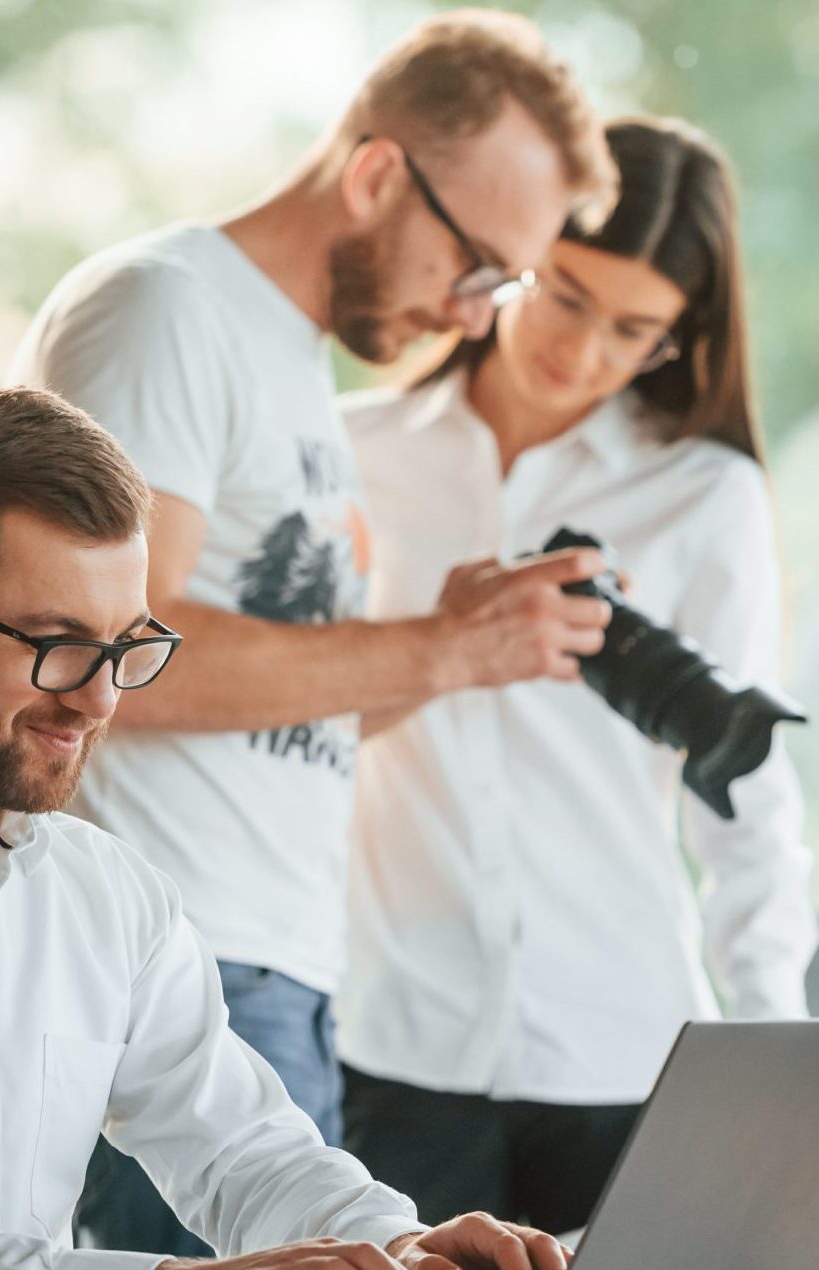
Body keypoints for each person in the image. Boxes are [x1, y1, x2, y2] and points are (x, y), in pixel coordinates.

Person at [7, 9, 617, 1254]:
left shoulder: (294, 370)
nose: (478, 314)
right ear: (378, 172)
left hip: (273, 979)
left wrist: (464, 640)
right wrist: (436, 649)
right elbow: (109, 654)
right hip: (173, 978)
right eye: (479, 266)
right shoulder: (167, 311)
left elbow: (287, 687)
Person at [0, 385, 577, 1270]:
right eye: (56, 642)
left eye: (127, 645)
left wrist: (401, 1244)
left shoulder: (108, 899)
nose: (99, 697)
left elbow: (240, 1147)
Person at [336, 114, 819, 1237]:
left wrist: (773, 1053)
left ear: (681, 334)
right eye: (565, 296)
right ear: (516, 254)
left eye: (634, 330)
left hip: (621, 1048)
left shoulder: (702, 492)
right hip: (394, 1038)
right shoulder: (359, 453)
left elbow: (742, 785)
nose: (583, 352)